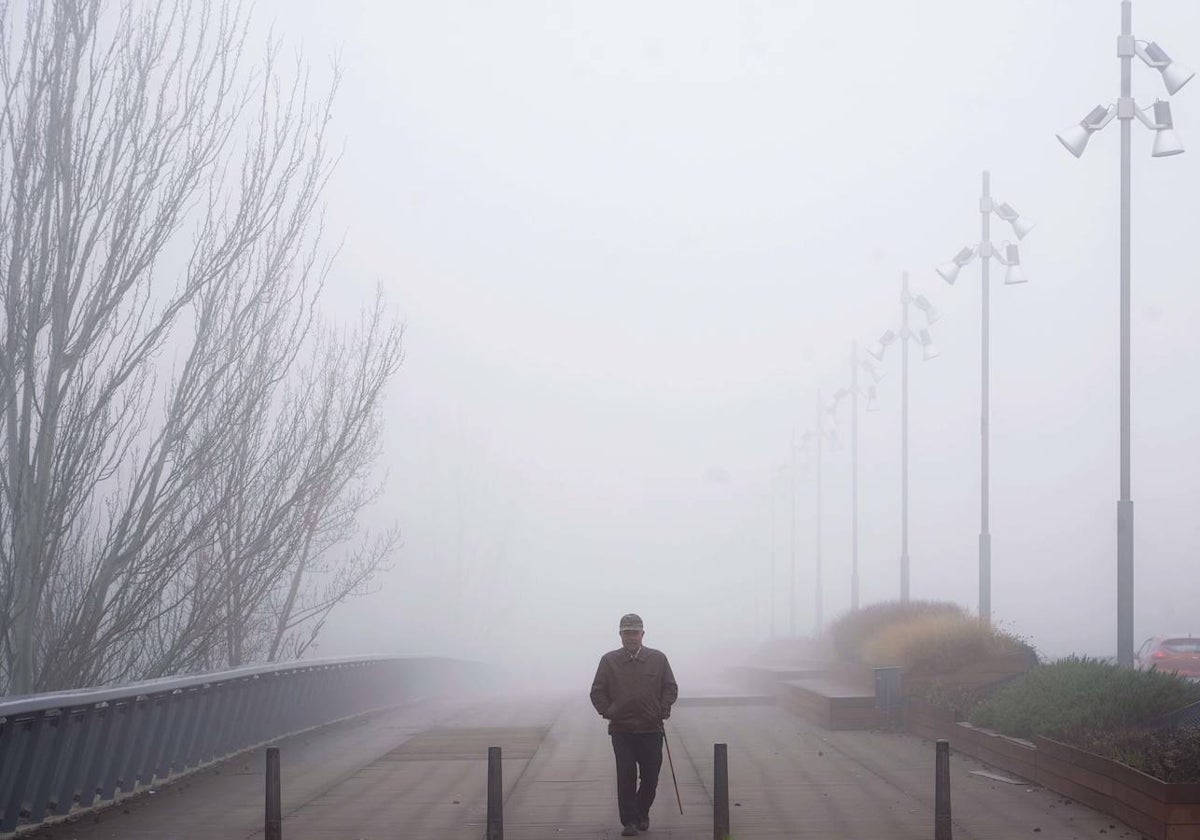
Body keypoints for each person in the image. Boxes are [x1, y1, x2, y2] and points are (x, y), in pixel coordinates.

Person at [589, 613, 679, 836]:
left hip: (651, 729)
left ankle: (642, 812)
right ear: (620, 635)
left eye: (634, 633)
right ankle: (629, 821)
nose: (631, 637)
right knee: (626, 776)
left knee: (651, 777)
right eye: (626, 633)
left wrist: (662, 710)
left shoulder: (658, 659)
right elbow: (597, 692)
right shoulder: (609, 661)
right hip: (622, 731)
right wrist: (609, 712)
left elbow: (670, 687)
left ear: (642, 634)